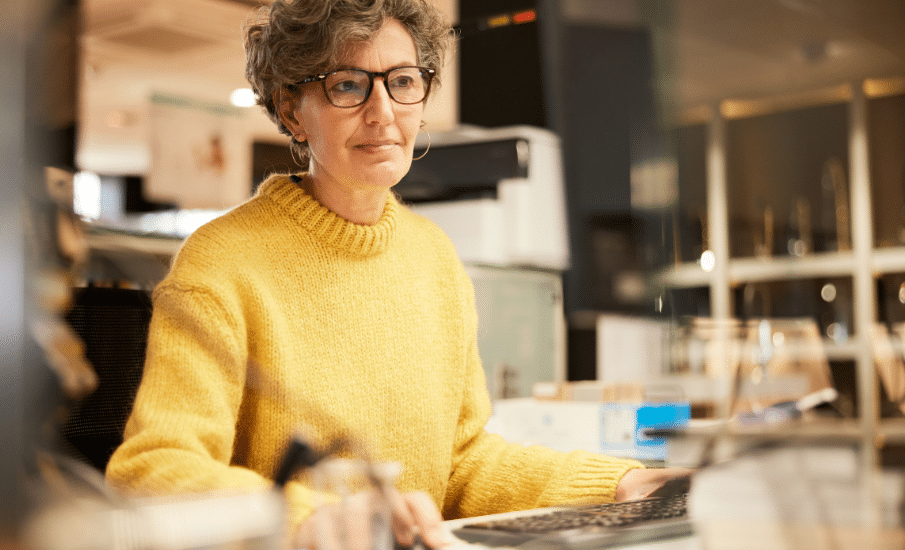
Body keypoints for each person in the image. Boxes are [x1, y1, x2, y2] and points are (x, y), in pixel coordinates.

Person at [104, 0, 689, 548]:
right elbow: (153, 469)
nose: (383, 114)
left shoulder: (433, 256)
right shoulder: (222, 262)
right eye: (348, 85)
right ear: (291, 110)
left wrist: (618, 484)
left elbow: (462, 462)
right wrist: (308, 517)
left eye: (403, 82)